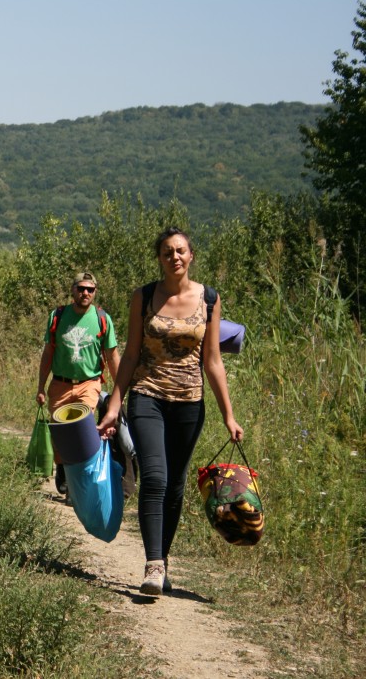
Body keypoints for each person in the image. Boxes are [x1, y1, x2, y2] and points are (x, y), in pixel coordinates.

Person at [97, 226, 243, 597]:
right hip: (147, 396)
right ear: (159, 259)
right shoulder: (143, 297)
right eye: (166, 252)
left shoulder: (209, 298)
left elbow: (212, 361)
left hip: (190, 404)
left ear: (190, 256)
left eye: (180, 251)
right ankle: (153, 563)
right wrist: (114, 404)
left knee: (175, 486)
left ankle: (164, 557)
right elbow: (130, 355)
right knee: (156, 478)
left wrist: (229, 414)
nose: (174, 257)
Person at [36, 272, 121, 497]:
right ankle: (63, 468)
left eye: (90, 289)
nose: (85, 293)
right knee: (60, 434)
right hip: (60, 385)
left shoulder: (103, 319)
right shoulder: (58, 316)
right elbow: (48, 352)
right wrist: (40, 387)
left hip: (89, 384)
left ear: (95, 292)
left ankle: (78, 483)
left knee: (82, 431)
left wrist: (120, 392)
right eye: (81, 288)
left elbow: (112, 356)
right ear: (73, 290)